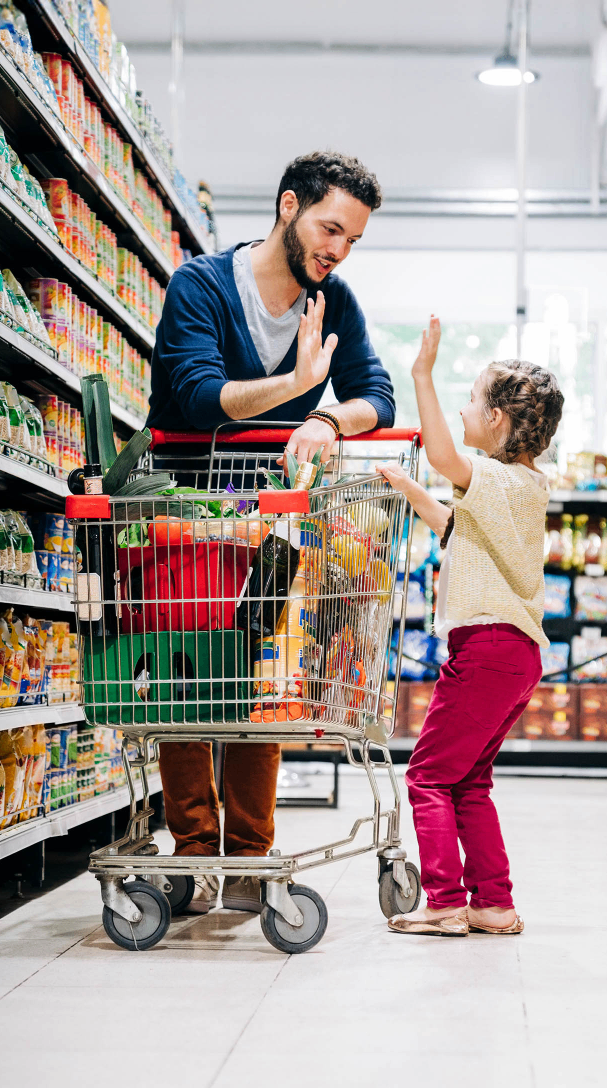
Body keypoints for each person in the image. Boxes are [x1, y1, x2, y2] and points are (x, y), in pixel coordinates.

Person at [146, 150, 395, 914]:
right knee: (187, 673)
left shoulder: (336, 300)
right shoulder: (198, 286)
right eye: (329, 228)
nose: (337, 250)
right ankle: (194, 852)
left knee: (260, 677)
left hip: (277, 520)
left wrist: (325, 414)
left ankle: (248, 855)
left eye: (351, 238)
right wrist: (291, 385)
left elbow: (375, 393)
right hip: (189, 515)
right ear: (289, 206)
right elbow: (193, 399)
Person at [375, 317, 564, 937]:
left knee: (427, 775)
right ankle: (492, 902)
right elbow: (458, 530)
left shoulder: (499, 479)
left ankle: (446, 902)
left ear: (500, 420)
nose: (463, 408)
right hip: (513, 652)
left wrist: (422, 374)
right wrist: (408, 489)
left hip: (486, 648)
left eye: (473, 399)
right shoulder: (519, 487)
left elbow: (442, 456)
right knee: (470, 780)